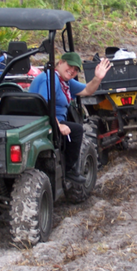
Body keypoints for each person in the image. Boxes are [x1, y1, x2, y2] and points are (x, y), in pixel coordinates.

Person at [29, 52, 111, 183]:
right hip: (42, 120)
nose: (72, 71)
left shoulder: (65, 82)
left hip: (51, 119)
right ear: (60, 63)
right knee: (77, 130)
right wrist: (58, 125)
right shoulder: (51, 78)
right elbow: (44, 105)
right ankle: (69, 171)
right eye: (70, 66)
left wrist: (97, 78)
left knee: (73, 125)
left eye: (76, 69)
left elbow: (87, 91)